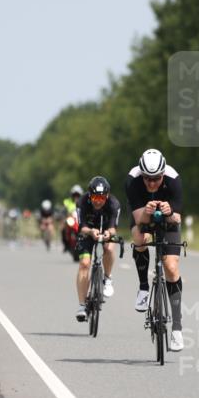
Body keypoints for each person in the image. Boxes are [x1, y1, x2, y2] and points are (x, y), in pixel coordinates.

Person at [126, 148, 185, 352]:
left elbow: (178, 218)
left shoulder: (173, 179)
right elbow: (137, 219)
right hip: (142, 216)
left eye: (156, 179)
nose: (152, 183)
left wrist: (169, 212)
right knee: (139, 237)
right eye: (147, 179)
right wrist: (147, 211)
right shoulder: (133, 181)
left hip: (168, 222)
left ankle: (177, 329)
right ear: (141, 174)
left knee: (170, 267)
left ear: (163, 174)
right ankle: (143, 287)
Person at [74, 176, 120, 322]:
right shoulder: (81, 202)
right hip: (87, 233)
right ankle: (82, 306)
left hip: (105, 232)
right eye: (94, 197)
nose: (97, 200)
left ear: (107, 196)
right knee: (85, 264)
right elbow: (81, 227)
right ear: (89, 195)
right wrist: (91, 232)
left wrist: (108, 234)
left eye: (101, 197)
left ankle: (107, 278)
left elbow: (113, 228)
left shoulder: (114, 204)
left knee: (109, 248)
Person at [61, 185, 84, 253]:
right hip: (70, 219)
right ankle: (66, 244)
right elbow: (63, 210)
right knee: (62, 228)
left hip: (80, 219)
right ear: (72, 195)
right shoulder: (67, 201)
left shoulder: (83, 202)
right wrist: (62, 214)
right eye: (75, 195)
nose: (76, 197)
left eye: (78, 195)